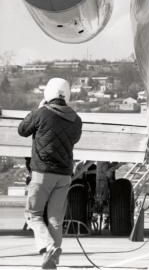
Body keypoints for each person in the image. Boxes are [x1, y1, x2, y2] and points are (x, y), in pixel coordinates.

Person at [18, 78, 82, 269]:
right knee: (55, 219)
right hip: (64, 176)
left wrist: (37, 109)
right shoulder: (76, 119)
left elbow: (22, 130)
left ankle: (48, 247)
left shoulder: (41, 113)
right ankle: (52, 258)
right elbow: (74, 139)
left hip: (42, 173)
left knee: (33, 215)